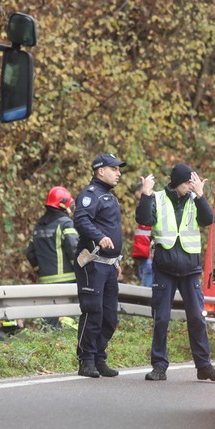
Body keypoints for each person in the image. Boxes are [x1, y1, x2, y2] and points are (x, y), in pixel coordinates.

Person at [136, 163, 215, 382]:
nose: (191, 187)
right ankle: (159, 366)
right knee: (161, 318)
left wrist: (201, 195)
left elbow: (208, 220)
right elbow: (144, 220)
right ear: (177, 183)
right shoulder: (157, 198)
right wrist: (146, 193)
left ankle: (203, 366)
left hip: (190, 269)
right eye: (188, 183)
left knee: (197, 318)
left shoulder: (194, 199)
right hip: (164, 268)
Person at [72, 153, 126, 378]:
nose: (119, 173)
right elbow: (81, 220)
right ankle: (86, 360)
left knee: (110, 316)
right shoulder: (90, 195)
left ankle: (99, 357)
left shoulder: (110, 196)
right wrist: (100, 237)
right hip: (93, 264)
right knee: (93, 312)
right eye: (114, 169)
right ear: (100, 170)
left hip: (109, 266)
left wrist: (117, 260)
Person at [26, 186, 79, 329]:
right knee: (68, 323)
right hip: (67, 282)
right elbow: (74, 249)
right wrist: (81, 269)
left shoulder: (39, 225)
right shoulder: (66, 223)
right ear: (63, 204)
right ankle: (64, 348)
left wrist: (39, 270)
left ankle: (48, 349)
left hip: (45, 282)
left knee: (48, 324)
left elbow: (30, 252)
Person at [131, 181, 153, 287]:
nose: (139, 199)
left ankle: (145, 299)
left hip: (148, 251)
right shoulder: (145, 207)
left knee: (147, 274)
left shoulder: (152, 205)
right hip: (143, 251)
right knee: (145, 273)